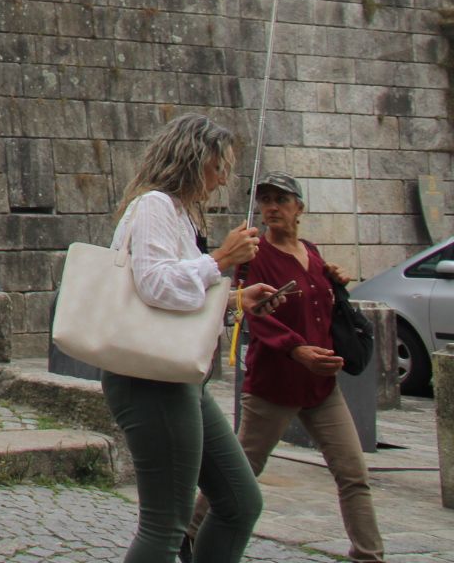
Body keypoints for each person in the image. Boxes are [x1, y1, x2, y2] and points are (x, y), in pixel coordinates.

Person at [100, 114, 286, 563]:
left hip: (181, 375)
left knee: (241, 503)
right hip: (149, 376)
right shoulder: (155, 206)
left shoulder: (182, 215)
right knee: (165, 526)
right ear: (193, 160)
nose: (223, 180)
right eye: (219, 167)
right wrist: (221, 258)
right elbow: (157, 286)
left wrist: (238, 301)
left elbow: (182, 298)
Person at [186, 173, 384, 563]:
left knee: (353, 474)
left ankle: (369, 556)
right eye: (266, 200)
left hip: (322, 388)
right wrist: (298, 350)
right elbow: (251, 314)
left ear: (300, 208)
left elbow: (324, 306)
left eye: (281, 199)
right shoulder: (254, 255)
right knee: (242, 471)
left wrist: (336, 282)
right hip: (272, 387)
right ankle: (189, 532)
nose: (272, 207)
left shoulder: (311, 252)